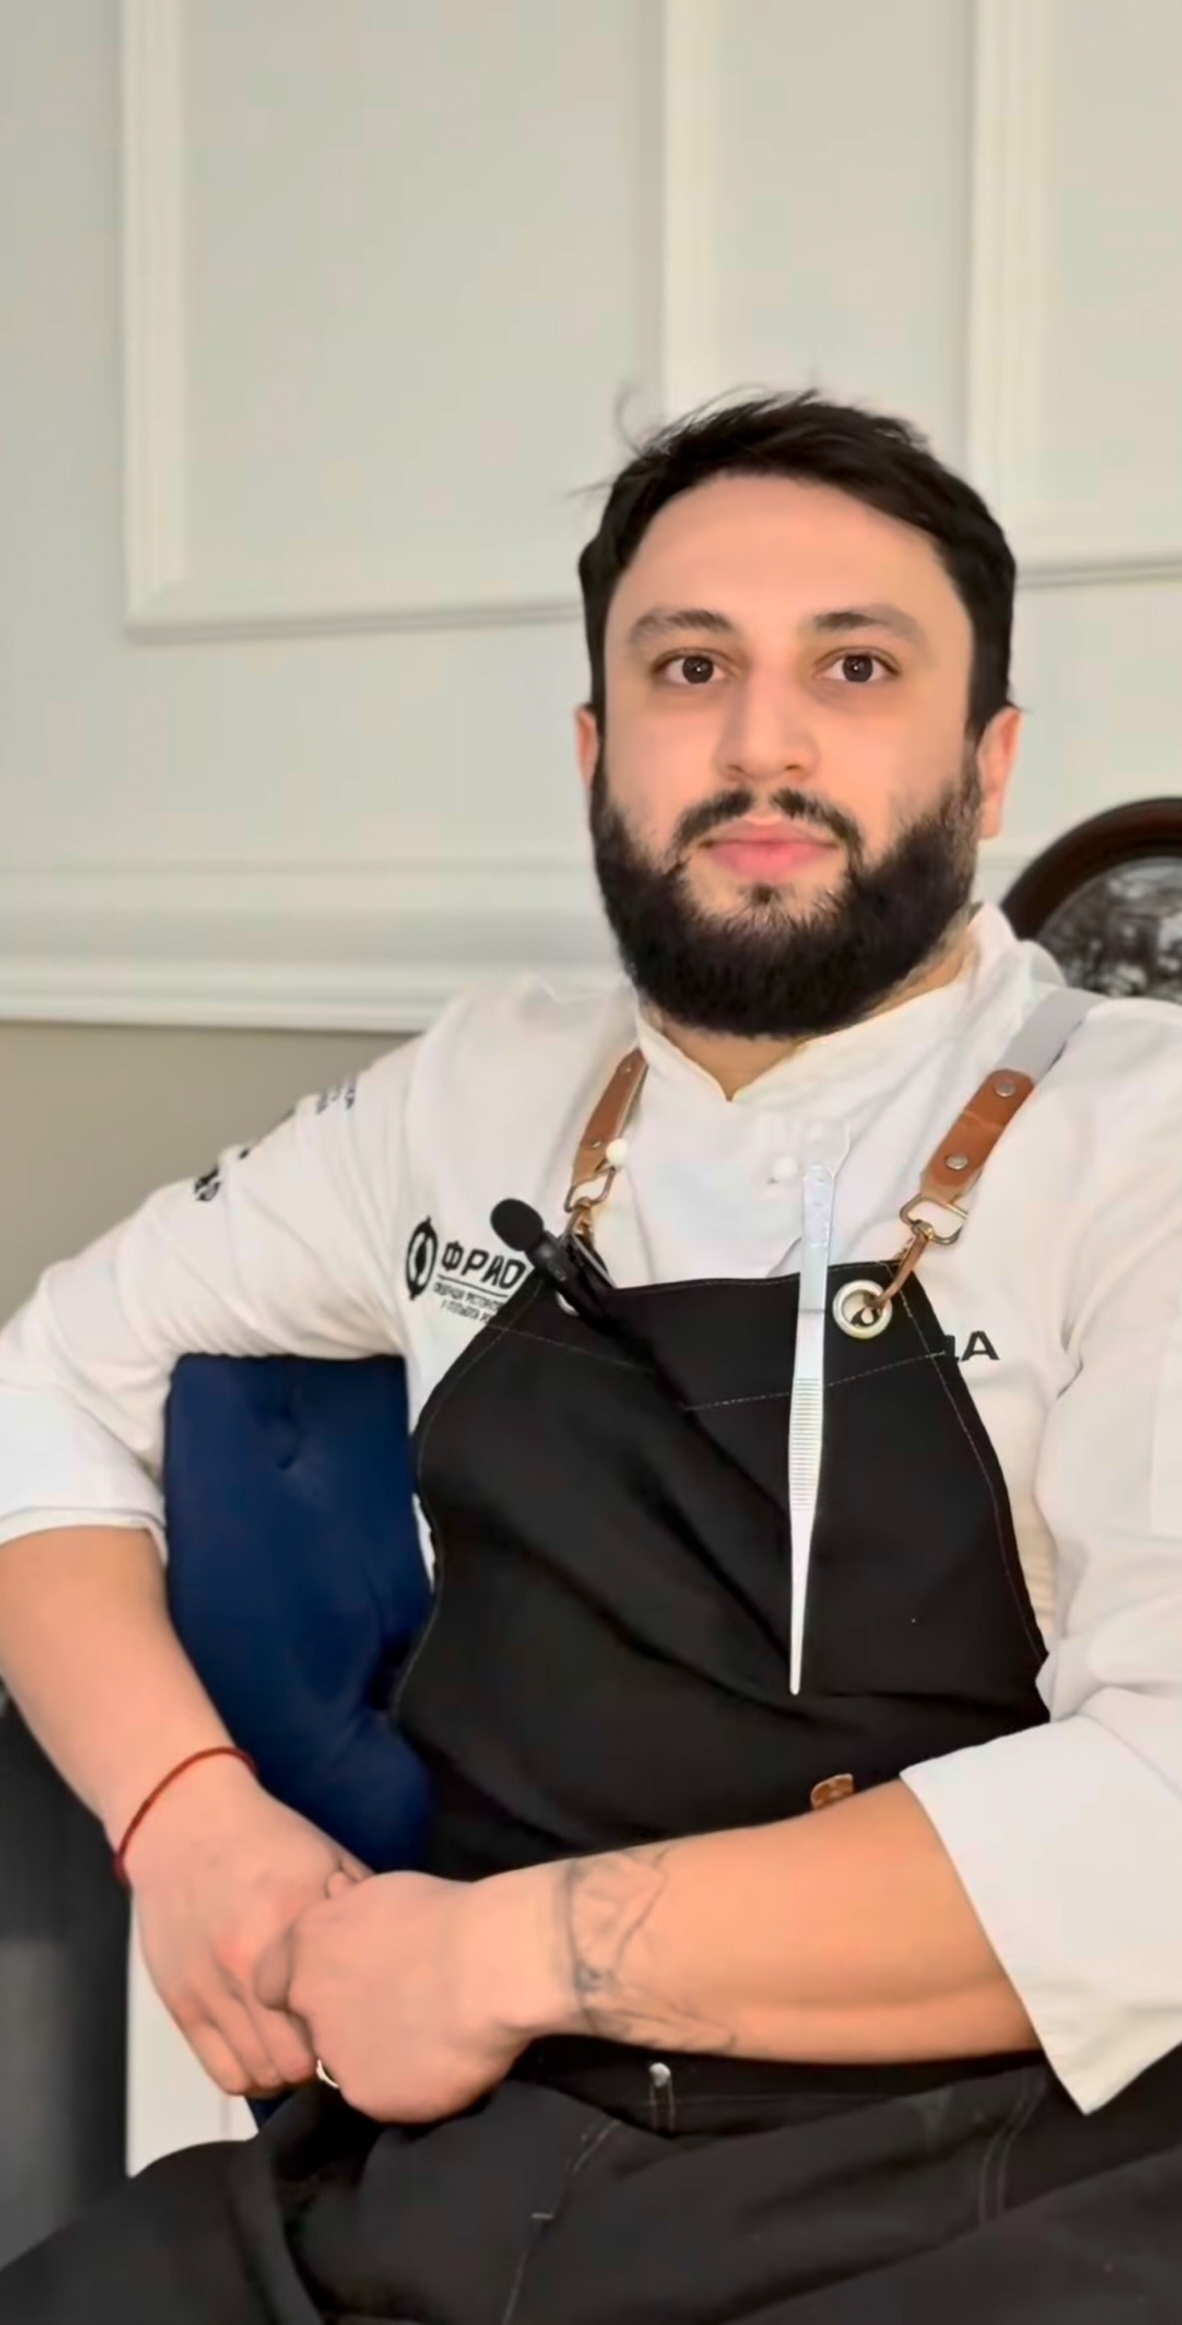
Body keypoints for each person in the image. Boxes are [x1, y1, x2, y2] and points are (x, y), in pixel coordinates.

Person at [0, 392, 1180, 2323]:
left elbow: (1162, 1815)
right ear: (594, 749)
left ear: (988, 765)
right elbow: (45, 1380)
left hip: (1000, 2174)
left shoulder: (1143, 1138)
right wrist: (184, 1818)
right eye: (688, 667)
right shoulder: (475, 1093)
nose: (761, 741)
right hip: (465, 2159)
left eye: (855, 668)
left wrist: (501, 1957)